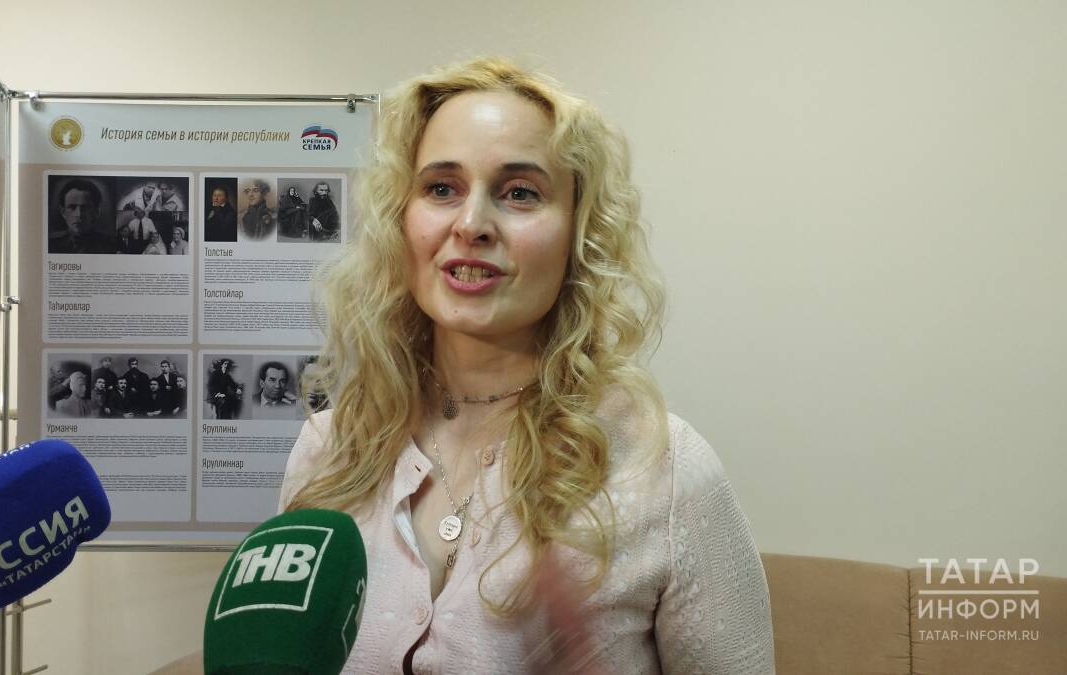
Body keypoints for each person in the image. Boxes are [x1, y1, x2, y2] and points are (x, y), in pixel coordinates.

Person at [276, 59, 775, 673]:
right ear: (401, 219)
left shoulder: (663, 470)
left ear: (579, 234)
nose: (471, 225)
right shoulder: (327, 451)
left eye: (520, 193)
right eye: (441, 188)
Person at [49, 179, 112, 254]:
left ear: (96, 212)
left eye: (85, 208)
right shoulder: (50, 244)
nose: (78, 214)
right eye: (72, 207)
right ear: (63, 212)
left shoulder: (110, 245)